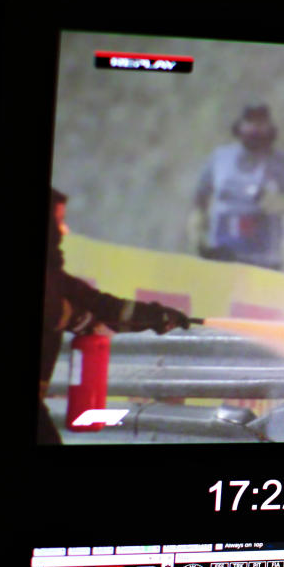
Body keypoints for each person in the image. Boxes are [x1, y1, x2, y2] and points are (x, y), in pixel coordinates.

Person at [39, 188, 192, 444]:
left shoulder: (56, 278)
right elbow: (54, 308)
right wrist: (80, 319)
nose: (64, 231)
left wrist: (155, 316)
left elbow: (103, 308)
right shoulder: (51, 283)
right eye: (58, 222)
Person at [188, 103, 284, 270]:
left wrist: (279, 203)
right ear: (240, 126)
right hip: (222, 254)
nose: (255, 130)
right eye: (250, 123)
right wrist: (198, 234)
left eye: (260, 124)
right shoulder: (220, 159)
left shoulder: (281, 163)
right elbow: (200, 198)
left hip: (263, 258)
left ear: (269, 128)